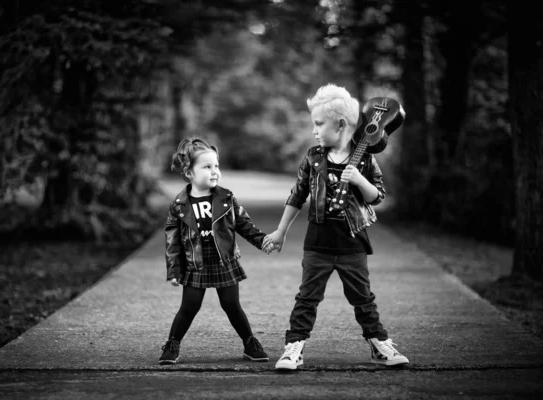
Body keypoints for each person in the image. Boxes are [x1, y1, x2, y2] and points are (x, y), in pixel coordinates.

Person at [263, 84, 409, 370]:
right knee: (307, 297)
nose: (314, 131)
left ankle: (379, 344)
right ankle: (294, 347)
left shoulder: (365, 158)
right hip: (317, 241)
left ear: (341, 124)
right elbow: (297, 194)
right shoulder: (314, 157)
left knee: (363, 298)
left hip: (352, 242)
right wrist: (280, 232)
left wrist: (360, 180)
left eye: (319, 124)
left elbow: (378, 196)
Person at [160, 137, 276, 365]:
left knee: (232, 305)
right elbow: (172, 240)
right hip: (196, 262)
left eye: (216, 166)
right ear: (189, 173)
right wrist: (174, 270)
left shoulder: (226, 198)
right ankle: (172, 344)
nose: (214, 171)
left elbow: (243, 224)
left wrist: (262, 241)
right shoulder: (180, 205)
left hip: (224, 260)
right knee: (189, 306)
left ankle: (250, 342)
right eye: (207, 167)